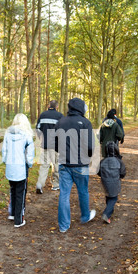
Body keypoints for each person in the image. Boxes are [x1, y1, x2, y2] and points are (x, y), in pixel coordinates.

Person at [54, 97, 96, 233]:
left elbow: (55, 144)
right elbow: (90, 146)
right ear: (81, 108)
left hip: (64, 164)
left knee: (64, 194)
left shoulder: (60, 122)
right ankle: (85, 216)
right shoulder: (85, 123)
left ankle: (63, 226)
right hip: (81, 165)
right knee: (83, 191)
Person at [2, 113, 35, 228]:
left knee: (13, 190)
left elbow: (4, 150)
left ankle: (12, 213)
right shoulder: (27, 135)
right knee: (21, 192)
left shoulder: (7, 133)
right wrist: (29, 164)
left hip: (10, 166)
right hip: (21, 167)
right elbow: (30, 154)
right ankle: (18, 220)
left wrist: (6, 161)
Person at [35, 100, 63, 194]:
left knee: (44, 165)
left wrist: (41, 138)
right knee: (56, 165)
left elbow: (38, 129)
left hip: (45, 144)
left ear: (48, 105)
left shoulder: (43, 115)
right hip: (56, 145)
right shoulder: (60, 116)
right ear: (57, 106)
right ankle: (55, 185)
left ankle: (40, 184)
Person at [97, 141, 126, 224]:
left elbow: (98, 172)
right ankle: (106, 214)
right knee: (114, 198)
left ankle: (109, 213)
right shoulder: (119, 161)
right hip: (115, 181)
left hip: (105, 181)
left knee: (109, 195)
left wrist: (104, 176)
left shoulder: (102, 161)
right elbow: (123, 173)